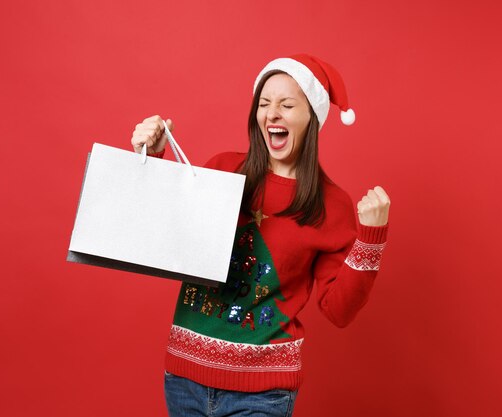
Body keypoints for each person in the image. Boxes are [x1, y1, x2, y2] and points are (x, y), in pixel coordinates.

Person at [131, 54, 390, 417]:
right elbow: (171, 237)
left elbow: (339, 310)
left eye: (287, 105)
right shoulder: (223, 169)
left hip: (263, 393)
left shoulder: (332, 205)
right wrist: (153, 157)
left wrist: (371, 240)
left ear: (312, 118)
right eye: (264, 104)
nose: (272, 115)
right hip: (184, 378)